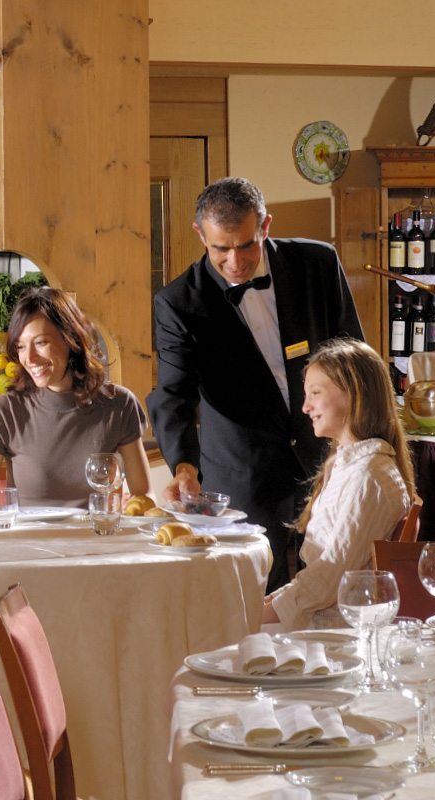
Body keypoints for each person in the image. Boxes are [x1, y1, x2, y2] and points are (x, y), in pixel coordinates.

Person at [148, 177, 364, 590]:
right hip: (242, 473)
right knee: (255, 598)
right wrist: (183, 466)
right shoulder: (178, 304)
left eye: (245, 245)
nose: (234, 261)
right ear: (200, 235)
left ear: (265, 225)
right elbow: (173, 396)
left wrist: (365, 439)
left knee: (338, 585)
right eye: (220, 249)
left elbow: (354, 357)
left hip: (328, 460)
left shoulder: (317, 264)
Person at [262, 339, 415, 631]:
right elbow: (318, 580)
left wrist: (249, 617)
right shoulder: (351, 464)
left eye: (315, 393)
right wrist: (262, 606)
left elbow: (328, 583)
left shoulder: (369, 476)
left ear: (353, 393)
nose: (305, 407)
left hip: (334, 631)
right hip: (320, 618)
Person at [0, 286, 151, 509]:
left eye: (41, 342)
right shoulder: (3, 412)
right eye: (21, 346)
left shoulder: (118, 404)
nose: (29, 358)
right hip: (29, 541)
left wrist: (130, 507)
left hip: (98, 539)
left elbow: (142, 496)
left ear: (70, 339)